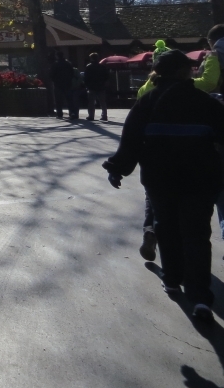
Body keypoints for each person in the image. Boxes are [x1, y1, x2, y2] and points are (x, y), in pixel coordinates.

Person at [103, 50, 224, 322]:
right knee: (196, 236)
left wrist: (117, 169)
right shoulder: (205, 103)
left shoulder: (147, 102)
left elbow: (130, 141)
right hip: (200, 179)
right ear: (186, 72)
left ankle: (171, 279)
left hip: (160, 180)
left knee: (166, 229)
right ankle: (201, 298)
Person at [83, 53, 110, 122]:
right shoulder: (102, 66)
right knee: (102, 102)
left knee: (91, 103)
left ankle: (91, 116)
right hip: (101, 86)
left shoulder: (89, 67)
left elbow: (86, 78)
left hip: (92, 87)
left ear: (91, 58)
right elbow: (107, 76)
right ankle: (104, 116)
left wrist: (87, 85)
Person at [50, 52, 78, 120]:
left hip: (58, 84)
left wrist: (55, 80)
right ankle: (72, 113)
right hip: (67, 84)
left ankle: (59, 113)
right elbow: (72, 73)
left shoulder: (55, 64)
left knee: (58, 100)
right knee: (69, 100)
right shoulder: (68, 64)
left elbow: (52, 74)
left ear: (57, 56)